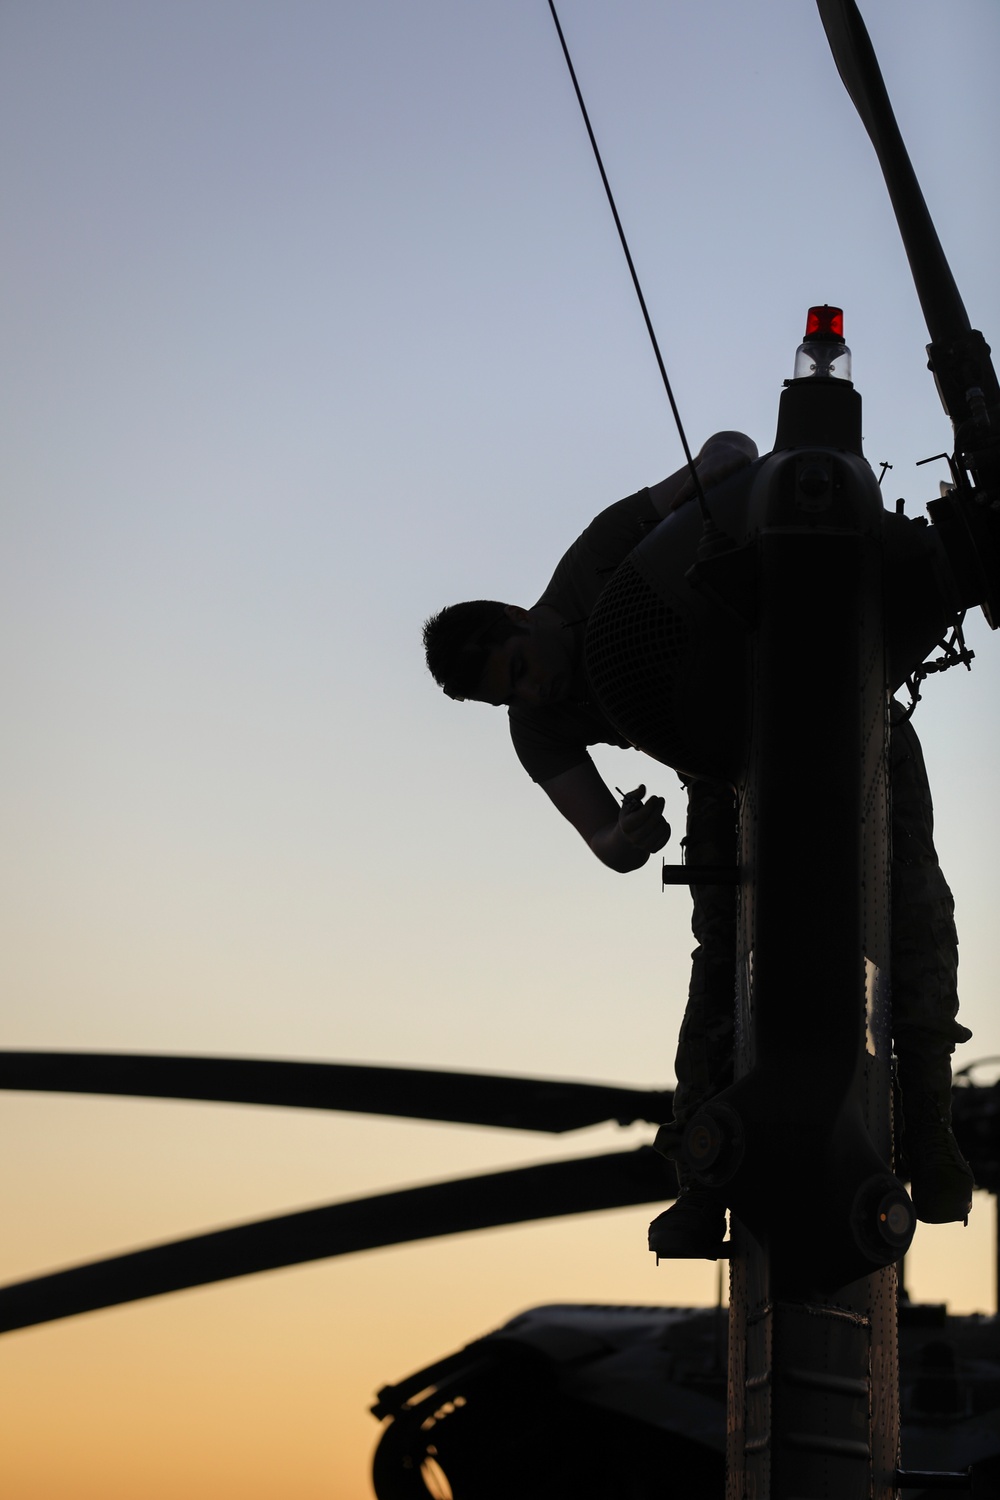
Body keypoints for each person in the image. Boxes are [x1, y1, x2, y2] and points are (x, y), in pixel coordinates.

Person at [423, 432, 974, 1256]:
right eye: (511, 693)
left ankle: (929, 1126)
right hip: (724, 770)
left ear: (517, 618)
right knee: (724, 962)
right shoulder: (536, 728)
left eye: (522, 667)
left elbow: (729, 452)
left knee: (917, 913)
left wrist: (718, 481)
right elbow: (602, 836)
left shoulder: (595, 558)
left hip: (842, 707)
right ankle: (701, 1177)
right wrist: (629, 835)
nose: (535, 691)